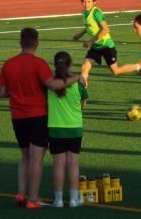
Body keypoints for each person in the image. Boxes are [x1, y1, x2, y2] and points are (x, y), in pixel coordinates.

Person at [0, 28, 80, 210]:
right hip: (37, 116)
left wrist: (18, 92)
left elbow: (2, 92)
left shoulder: (8, 64)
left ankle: (21, 192)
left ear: (20, 42)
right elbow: (53, 84)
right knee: (36, 158)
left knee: (25, 156)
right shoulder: (38, 63)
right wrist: (76, 78)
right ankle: (33, 198)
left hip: (17, 117)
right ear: (36, 43)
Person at [72, 0, 140, 87]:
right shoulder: (84, 13)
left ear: (94, 2)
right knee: (85, 67)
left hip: (106, 45)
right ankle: (83, 93)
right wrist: (80, 34)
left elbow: (106, 30)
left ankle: (138, 66)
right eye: (84, 1)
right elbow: (89, 26)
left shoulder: (96, 13)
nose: (86, 4)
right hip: (96, 46)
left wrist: (90, 42)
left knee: (115, 71)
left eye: (89, 2)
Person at [47, 51, 88, 208]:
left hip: (55, 128)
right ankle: (73, 199)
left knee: (58, 164)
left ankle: (57, 200)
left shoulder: (50, 83)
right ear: (70, 64)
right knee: (73, 164)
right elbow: (83, 103)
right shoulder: (78, 84)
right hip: (74, 127)